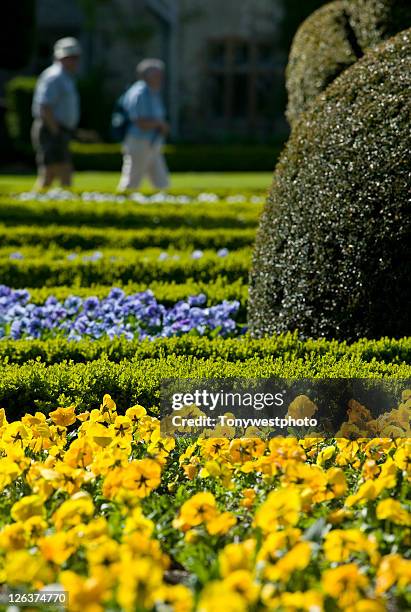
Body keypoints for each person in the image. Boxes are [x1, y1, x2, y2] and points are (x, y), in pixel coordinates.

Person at [31, 37, 81, 189]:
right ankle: (66, 205)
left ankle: (40, 205)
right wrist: (56, 132)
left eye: (76, 57)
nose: (74, 61)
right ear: (61, 57)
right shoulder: (54, 76)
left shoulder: (66, 77)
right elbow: (45, 106)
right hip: (51, 128)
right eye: (71, 58)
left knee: (50, 174)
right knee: (60, 171)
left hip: (58, 129)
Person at [118, 59, 170, 192]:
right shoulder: (140, 92)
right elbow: (139, 121)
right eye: (156, 75)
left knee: (161, 182)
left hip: (152, 142)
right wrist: (160, 124)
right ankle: (121, 207)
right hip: (139, 141)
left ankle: (166, 207)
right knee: (132, 181)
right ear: (146, 75)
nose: (160, 78)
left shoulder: (153, 92)